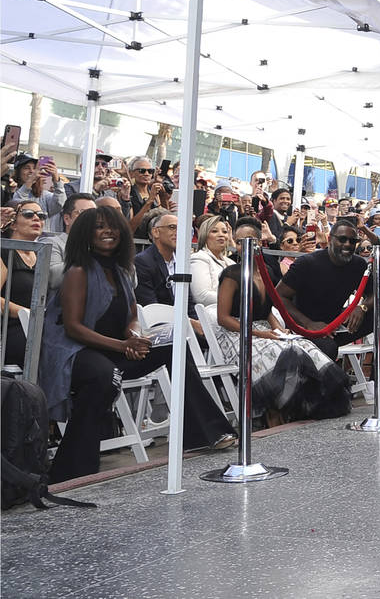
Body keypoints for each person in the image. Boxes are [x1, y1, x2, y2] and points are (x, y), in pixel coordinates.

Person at [38, 207, 236, 482]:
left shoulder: (120, 271)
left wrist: (134, 335)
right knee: (102, 375)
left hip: (114, 348)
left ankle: (206, 434)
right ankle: (72, 467)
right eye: (99, 227)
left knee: (173, 349)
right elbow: (74, 328)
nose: (108, 231)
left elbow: (132, 315)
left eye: (113, 226)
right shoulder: (78, 271)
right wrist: (122, 346)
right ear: (86, 233)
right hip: (76, 351)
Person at [212, 220, 351, 425]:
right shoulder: (231, 275)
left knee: (303, 346)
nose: (243, 247)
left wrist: (278, 328)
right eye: (239, 242)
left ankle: (298, 407)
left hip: (264, 327)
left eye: (248, 241)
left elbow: (266, 308)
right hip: (237, 332)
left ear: (259, 243)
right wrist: (263, 334)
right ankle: (273, 411)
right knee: (276, 352)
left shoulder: (267, 271)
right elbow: (223, 318)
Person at [275, 218, 380, 401]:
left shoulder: (358, 264)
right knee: (328, 346)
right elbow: (279, 296)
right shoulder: (307, 263)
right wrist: (308, 323)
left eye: (352, 241)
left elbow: (375, 293)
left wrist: (363, 307)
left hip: (338, 324)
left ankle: (376, 384)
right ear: (330, 239)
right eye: (342, 239)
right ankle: (320, 397)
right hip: (305, 328)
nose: (347, 244)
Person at [1, 200, 48, 367]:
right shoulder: (3, 252)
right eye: (29, 214)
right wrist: (28, 314)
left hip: (38, 327)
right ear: (13, 224)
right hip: (10, 330)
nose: (37, 219)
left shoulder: (42, 255)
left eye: (41, 216)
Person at [43, 192, 96, 290]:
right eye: (83, 213)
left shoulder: (101, 245)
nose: (90, 218)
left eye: (94, 214)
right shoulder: (52, 242)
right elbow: (53, 277)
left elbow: (132, 279)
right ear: (67, 219)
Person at [8, 153, 67, 225]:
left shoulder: (44, 195)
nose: (32, 171)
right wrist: (31, 179)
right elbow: (19, 203)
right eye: (26, 168)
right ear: (18, 173)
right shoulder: (11, 192)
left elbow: (60, 204)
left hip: (43, 236)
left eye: (34, 168)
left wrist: (56, 179)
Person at [190, 216, 233, 307]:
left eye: (225, 232)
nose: (221, 235)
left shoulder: (231, 263)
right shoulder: (198, 258)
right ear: (204, 235)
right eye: (214, 231)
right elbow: (201, 296)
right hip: (211, 316)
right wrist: (236, 301)